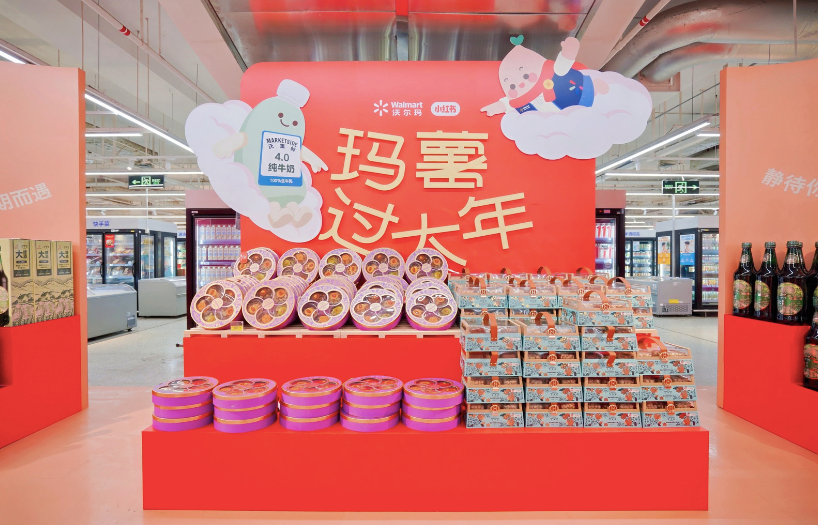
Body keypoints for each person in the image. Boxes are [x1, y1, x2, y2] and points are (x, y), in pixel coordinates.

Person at [481, 36, 609, 117]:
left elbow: (563, 64)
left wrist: (568, 52)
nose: (520, 83)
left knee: (590, 92)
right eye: (512, 85)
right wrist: (498, 106)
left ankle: (596, 88)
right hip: (561, 123)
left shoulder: (554, 73)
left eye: (525, 75)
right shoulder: (523, 101)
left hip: (580, 96)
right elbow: (509, 103)